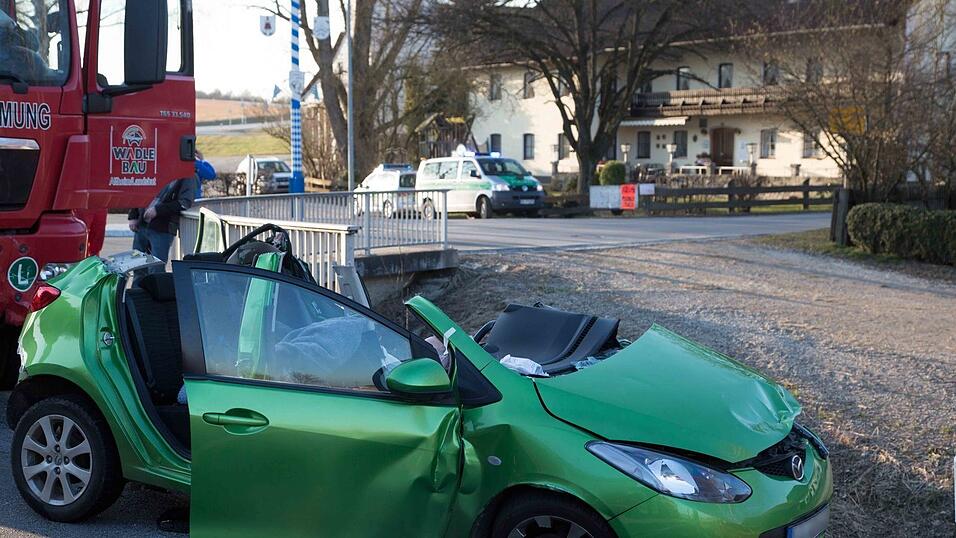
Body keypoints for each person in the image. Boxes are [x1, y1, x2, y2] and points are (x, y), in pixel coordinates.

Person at [129, 175, 199, 263]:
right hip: (141, 225)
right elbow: (138, 190)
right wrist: (133, 215)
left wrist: (157, 210)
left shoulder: (186, 175)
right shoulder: (154, 165)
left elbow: (185, 202)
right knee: (137, 265)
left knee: (156, 267)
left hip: (163, 228)